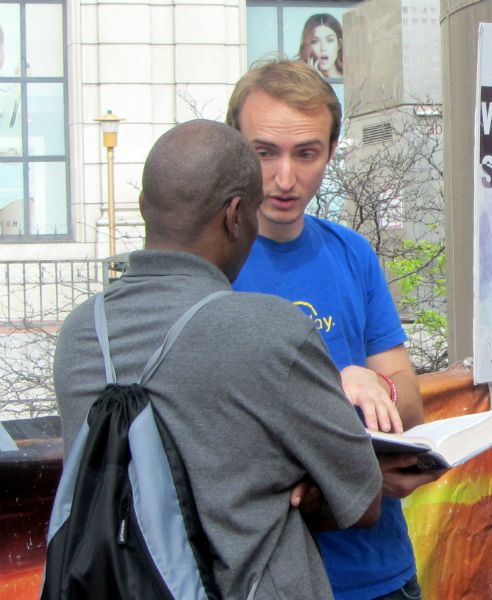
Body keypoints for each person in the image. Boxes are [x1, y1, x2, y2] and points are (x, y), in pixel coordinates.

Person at [53, 119, 384, 600]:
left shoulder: (81, 332)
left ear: (145, 208)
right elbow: (363, 499)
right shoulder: (272, 331)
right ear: (235, 215)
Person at [227, 59, 441, 600]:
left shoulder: (351, 252)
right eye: (264, 152)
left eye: (306, 154)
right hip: (265, 578)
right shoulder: (214, 263)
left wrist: (379, 387)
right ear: (234, 149)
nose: (284, 178)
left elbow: (409, 407)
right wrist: (337, 380)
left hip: (378, 571)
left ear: (331, 151)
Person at [298, 13, 343, 79]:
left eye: (329, 40)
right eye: (315, 41)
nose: (323, 48)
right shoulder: (300, 81)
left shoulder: (352, 81)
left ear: (339, 44)